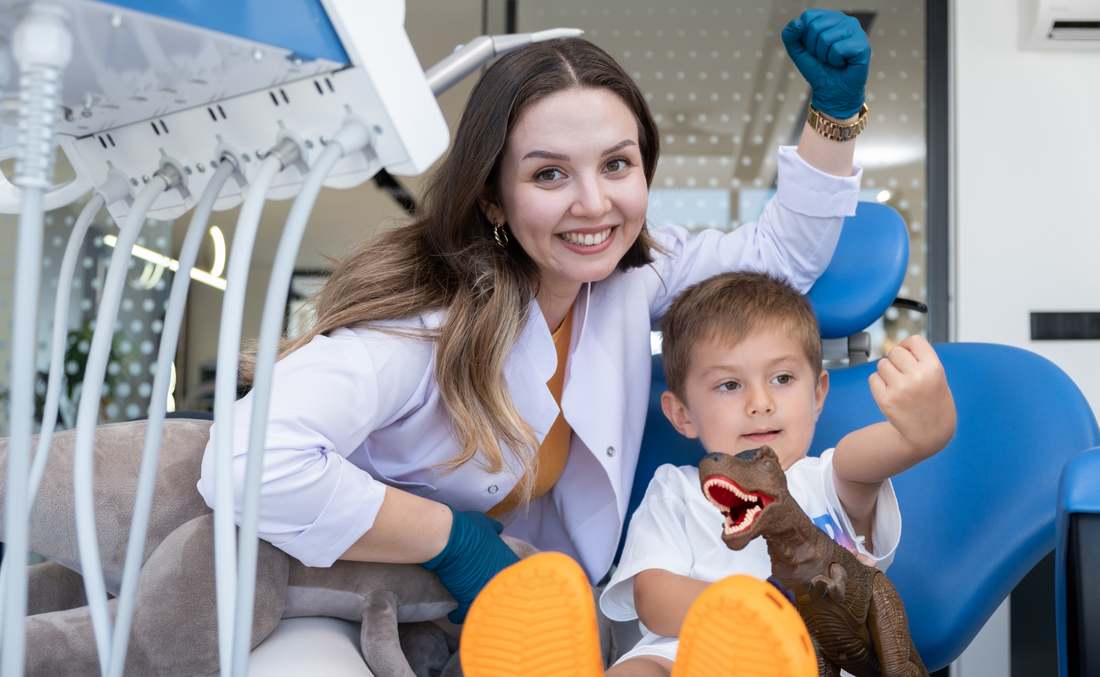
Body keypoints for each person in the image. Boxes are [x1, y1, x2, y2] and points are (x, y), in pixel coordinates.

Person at [197, 9, 871, 633]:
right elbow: (244, 461)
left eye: (617, 164)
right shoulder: (422, 324)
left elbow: (778, 260)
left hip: (507, 610)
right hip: (329, 594)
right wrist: (450, 537)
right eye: (550, 175)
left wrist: (834, 119)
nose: (594, 203)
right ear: (493, 199)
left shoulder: (626, 280)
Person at [459, 271, 956, 677]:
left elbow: (865, 456)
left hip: (806, 656)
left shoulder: (824, 480)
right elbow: (653, 600)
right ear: (683, 415)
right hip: (689, 651)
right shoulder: (676, 489)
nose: (760, 403)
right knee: (641, 670)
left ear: (818, 393)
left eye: (782, 379)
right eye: (729, 385)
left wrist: (923, 434)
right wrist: (745, 616)